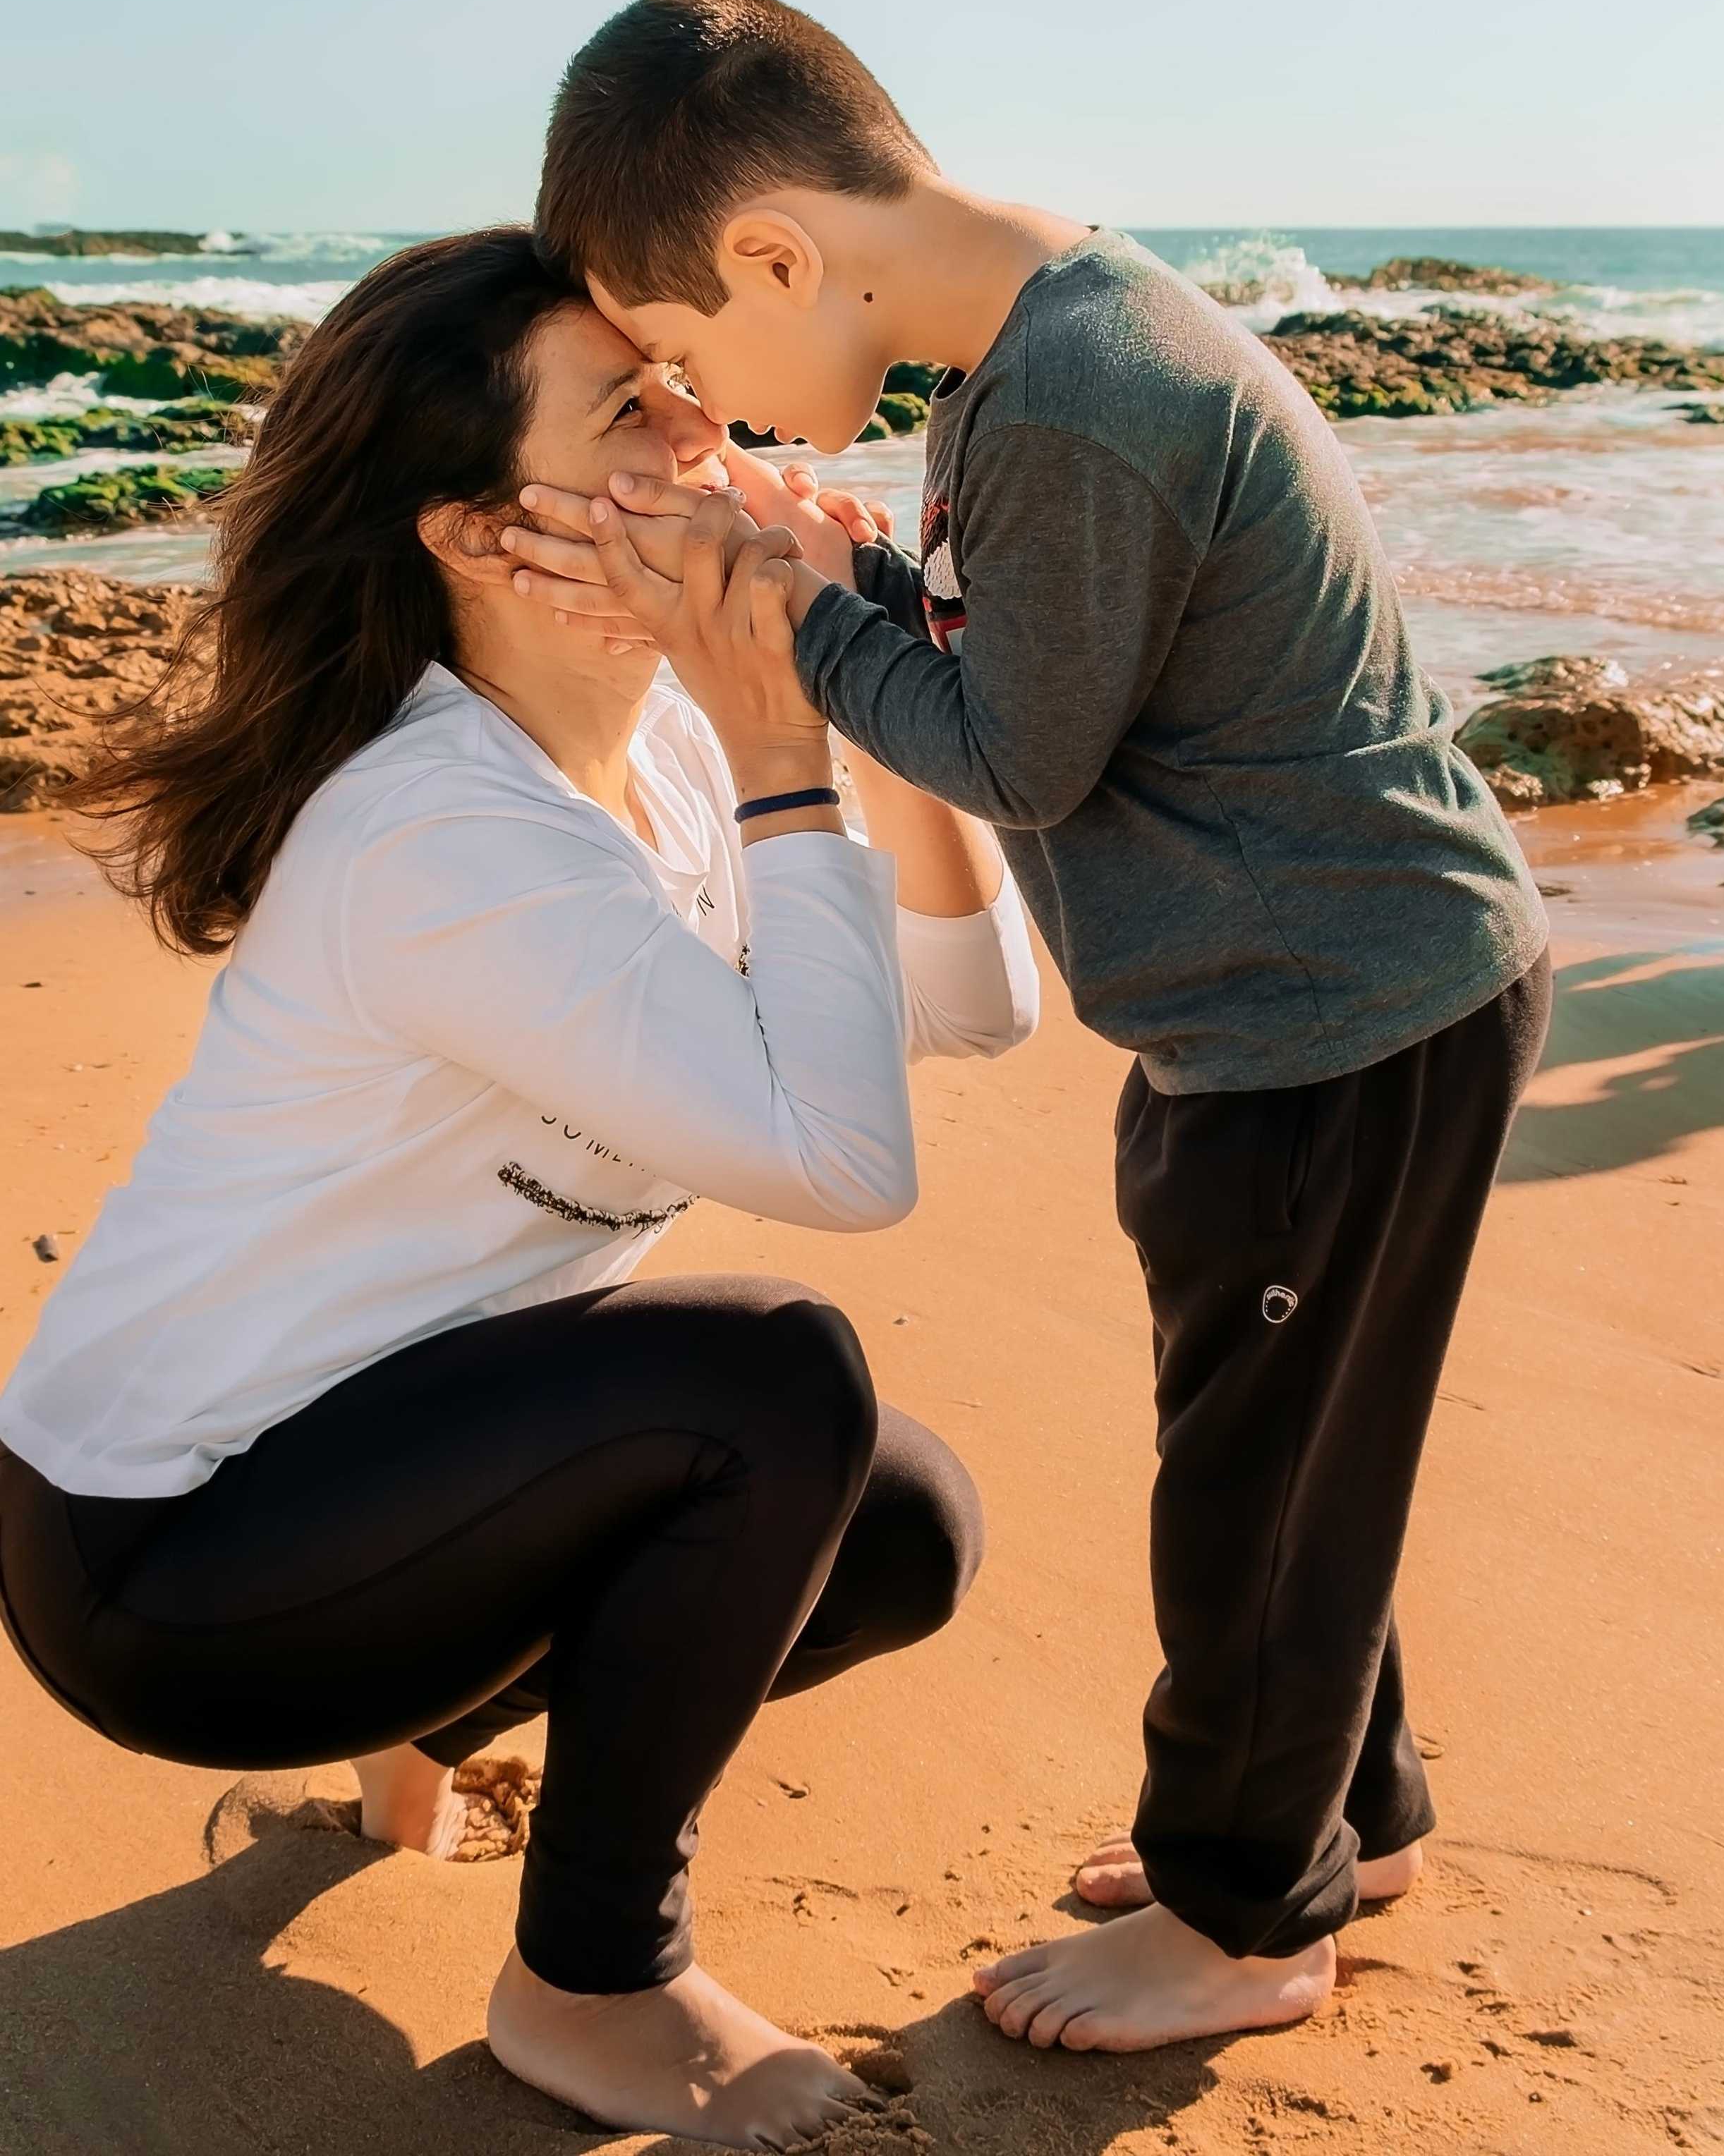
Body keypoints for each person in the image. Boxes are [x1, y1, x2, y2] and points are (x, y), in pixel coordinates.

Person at [511, 0, 1555, 2054]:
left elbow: (1020, 757)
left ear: (777, 255)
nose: (721, 404)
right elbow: (1041, 662)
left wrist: (796, 614)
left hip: (1331, 1017)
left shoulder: (1074, 396)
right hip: (1313, 1000)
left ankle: (1249, 1921)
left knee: (1250, 1491)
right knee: (1291, 1449)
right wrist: (867, 579)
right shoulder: (1045, 349)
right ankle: (1350, 1813)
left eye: (699, 352)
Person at [0, 229, 1038, 2150]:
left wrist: (854, 665)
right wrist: (779, 729)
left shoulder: (658, 749)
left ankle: (426, 1720)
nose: (702, 419)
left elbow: (975, 1014)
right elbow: (840, 1165)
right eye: (631, 403)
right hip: (163, 1557)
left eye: (685, 382)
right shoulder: (434, 832)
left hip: (387, 1457)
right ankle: (595, 1985)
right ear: (486, 532)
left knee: (902, 1534)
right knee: (773, 1377)